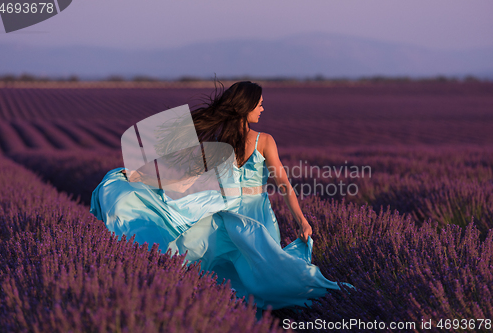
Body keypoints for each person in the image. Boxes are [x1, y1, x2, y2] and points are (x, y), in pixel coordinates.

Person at [90, 81, 355, 314]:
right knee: (266, 266)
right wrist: (301, 220)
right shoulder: (264, 140)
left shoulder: (219, 140)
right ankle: (296, 302)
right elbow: (283, 183)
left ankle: (233, 311)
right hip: (256, 213)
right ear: (246, 107)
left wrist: (141, 176)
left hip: (225, 209)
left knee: (231, 267)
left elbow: (184, 176)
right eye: (259, 105)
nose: (263, 109)